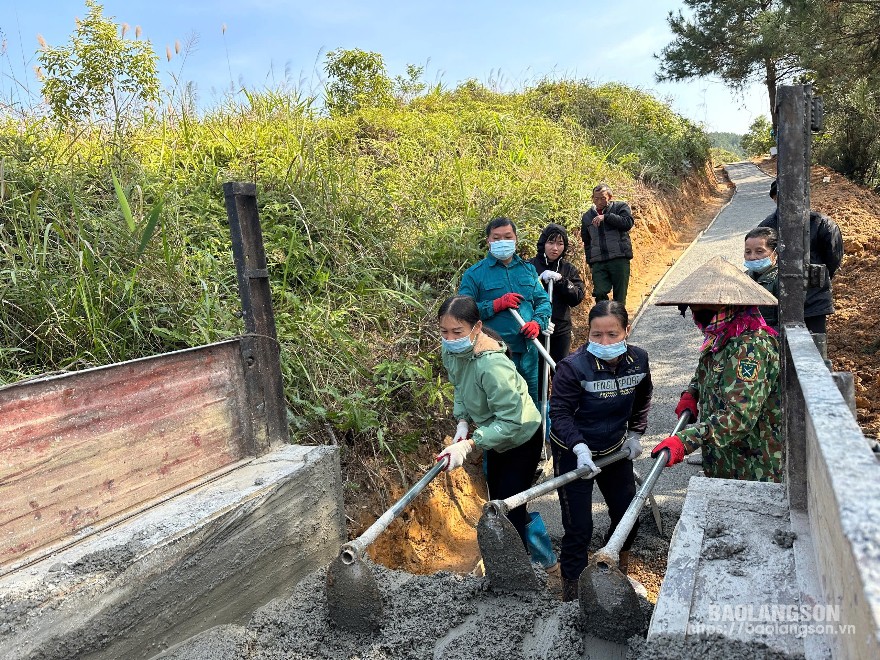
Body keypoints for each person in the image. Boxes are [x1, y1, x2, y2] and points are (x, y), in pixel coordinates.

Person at [548, 300, 653, 601]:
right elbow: (561, 413)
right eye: (596, 335)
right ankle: (573, 590)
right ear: (589, 334)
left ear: (626, 331)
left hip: (614, 449)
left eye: (612, 334)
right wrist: (579, 447)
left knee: (628, 515)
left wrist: (635, 433)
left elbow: (643, 397)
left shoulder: (639, 361)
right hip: (574, 452)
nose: (604, 342)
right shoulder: (572, 367)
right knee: (579, 526)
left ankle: (614, 565)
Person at [650, 256, 783, 482]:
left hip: (750, 466)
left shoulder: (750, 348)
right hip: (722, 460)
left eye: (704, 309)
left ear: (728, 305)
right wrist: (692, 393)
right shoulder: (720, 336)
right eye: (692, 308)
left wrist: (686, 440)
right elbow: (706, 369)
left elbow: (739, 417)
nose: (696, 315)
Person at [435, 295, 546, 554]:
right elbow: (460, 385)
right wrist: (462, 421)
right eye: (444, 331)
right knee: (497, 501)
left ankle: (532, 564)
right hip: (496, 436)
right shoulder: (451, 351)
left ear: (476, 327)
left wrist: (471, 444)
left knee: (510, 508)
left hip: (522, 435)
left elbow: (510, 419)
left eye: (457, 332)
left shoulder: (493, 365)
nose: (450, 338)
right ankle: (526, 558)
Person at [459, 217, 552, 407]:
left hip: (528, 351)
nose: (502, 242)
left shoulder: (528, 270)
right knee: (501, 406)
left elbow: (543, 301)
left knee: (530, 405)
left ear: (516, 238)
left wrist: (537, 322)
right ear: (488, 241)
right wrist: (495, 305)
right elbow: (463, 311)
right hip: (495, 356)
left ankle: (534, 437)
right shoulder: (474, 274)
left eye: (507, 237)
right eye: (496, 238)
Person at [759, 179, 843, 334]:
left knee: (815, 345)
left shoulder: (823, 225)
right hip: (777, 303)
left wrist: (817, 281)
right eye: (781, 195)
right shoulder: (766, 227)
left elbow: (833, 260)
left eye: (794, 194)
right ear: (774, 198)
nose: (788, 199)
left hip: (815, 302)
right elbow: (760, 260)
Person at [529, 222, 586, 394]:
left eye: (560, 244)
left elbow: (577, 296)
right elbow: (522, 295)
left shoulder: (568, 269)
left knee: (560, 371)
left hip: (560, 328)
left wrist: (562, 281)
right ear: (543, 243)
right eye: (551, 242)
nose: (555, 248)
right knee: (537, 374)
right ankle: (539, 413)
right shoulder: (529, 266)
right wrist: (538, 280)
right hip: (536, 329)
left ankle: (561, 411)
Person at [580, 183, 635, 306]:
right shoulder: (587, 217)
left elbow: (628, 223)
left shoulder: (620, 207)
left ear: (610, 197)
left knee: (620, 297)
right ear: (592, 198)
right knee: (599, 293)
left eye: (603, 198)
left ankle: (620, 323)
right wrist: (590, 262)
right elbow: (586, 241)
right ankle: (603, 321)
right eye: (596, 198)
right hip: (598, 261)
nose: (599, 201)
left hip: (619, 258)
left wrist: (606, 217)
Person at [744, 226, 780, 332]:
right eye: (748, 252)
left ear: (775, 253)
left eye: (759, 251)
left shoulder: (782, 280)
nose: (752, 257)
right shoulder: (743, 278)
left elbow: (786, 324)